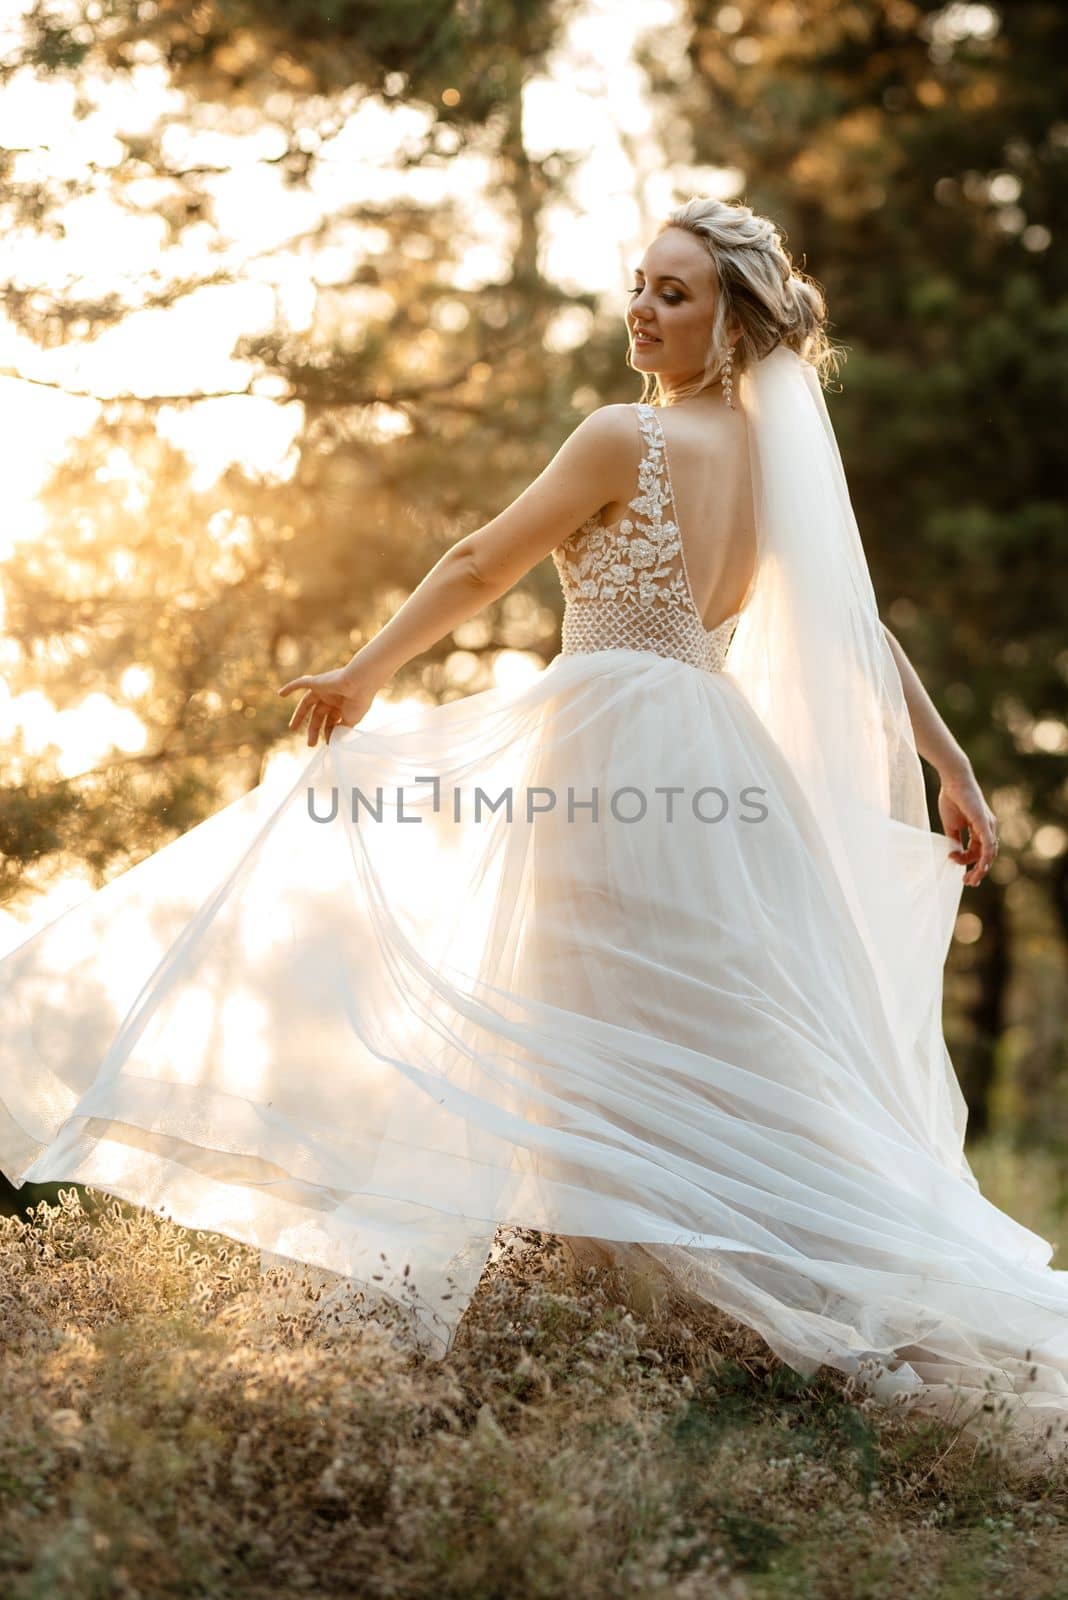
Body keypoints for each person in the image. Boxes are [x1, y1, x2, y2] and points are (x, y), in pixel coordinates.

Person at [2, 197, 1065, 1469]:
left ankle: (649, 1322)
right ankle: (651, 1322)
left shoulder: (628, 437)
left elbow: (477, 561)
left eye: (676, 293)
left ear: (735, 321)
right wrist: (948, 761)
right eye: (640, 285)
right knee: (701, 1035)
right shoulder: (779, 475)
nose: (643, 310)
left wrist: (365, 669)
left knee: (598, 1023)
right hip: (716, 760)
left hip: (612, 742)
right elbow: (861, 634)